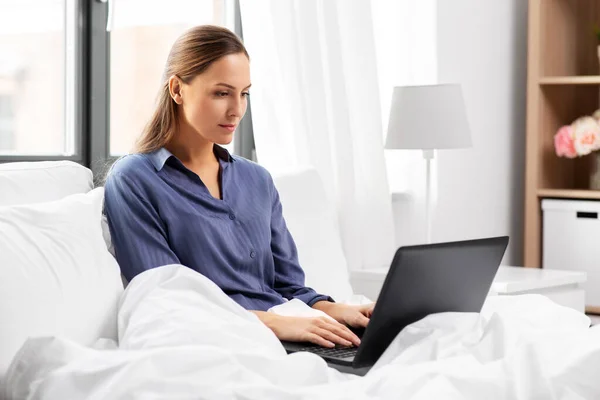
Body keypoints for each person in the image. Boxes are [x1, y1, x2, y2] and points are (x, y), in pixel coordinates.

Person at [104, 25, 374, 349]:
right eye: (221, 93)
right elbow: (166, 295)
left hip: (285, 331)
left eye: (244, 93)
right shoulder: (135, 179)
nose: (237, 109)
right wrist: (276, 324)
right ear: (177, 90)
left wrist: (335, 309)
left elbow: (290, 286)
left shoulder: (257, 180)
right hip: (219, 340)